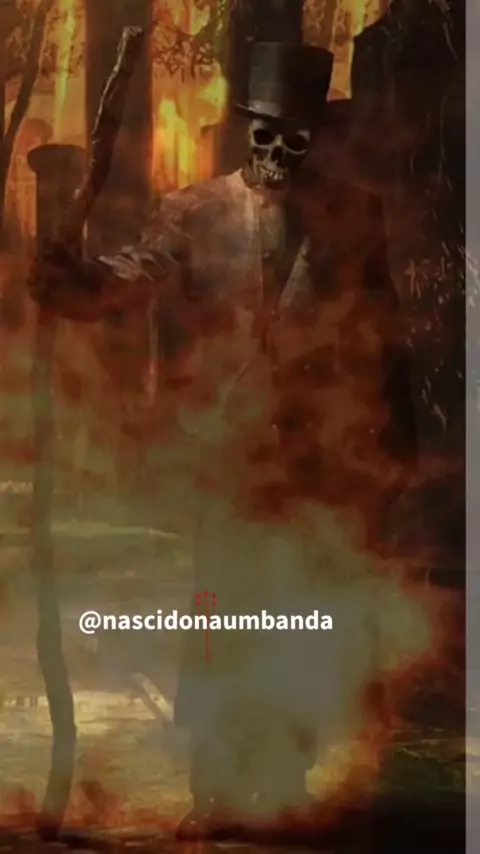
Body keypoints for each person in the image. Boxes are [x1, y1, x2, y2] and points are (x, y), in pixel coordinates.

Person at [29, 41, 417, 842]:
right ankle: (212, 784)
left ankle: (282, 787)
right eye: (264, 136)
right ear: (246, 132)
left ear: (315, 140)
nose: (277, 155)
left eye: (295, 140)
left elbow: (383, 332)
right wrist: (74, 281)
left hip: (313, 457)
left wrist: (398, 437)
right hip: (227, 457)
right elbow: (134, 272)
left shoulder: (353, 215)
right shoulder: (196, 210)